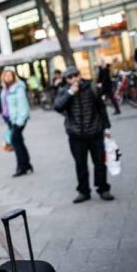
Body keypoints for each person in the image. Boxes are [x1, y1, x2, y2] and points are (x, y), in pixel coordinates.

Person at [54, 66, 115, 203]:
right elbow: (57, 106)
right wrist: (70, 92)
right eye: (70, 77)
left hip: (95, 131)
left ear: (80, 75)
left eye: (75, 75)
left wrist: (107, 128)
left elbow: (101, 108)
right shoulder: (64, 90)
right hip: (75, 135)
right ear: (66, 79)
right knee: (80, 164)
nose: (73, 79)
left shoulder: (91, 87)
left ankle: (103, 189)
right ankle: (83, 191)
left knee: (99, 162)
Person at [0, 66, 33, 177]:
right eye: (6, 75)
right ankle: (27, 165)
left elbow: (24, 106)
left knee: (15, 142)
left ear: (14, 76)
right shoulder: (5, 89)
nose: (8, 77)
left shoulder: (18, 88)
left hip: (18, 120)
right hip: (10, 119)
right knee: (19, 141)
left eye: (10, 75)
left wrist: (19, 122)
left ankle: (21, 167)